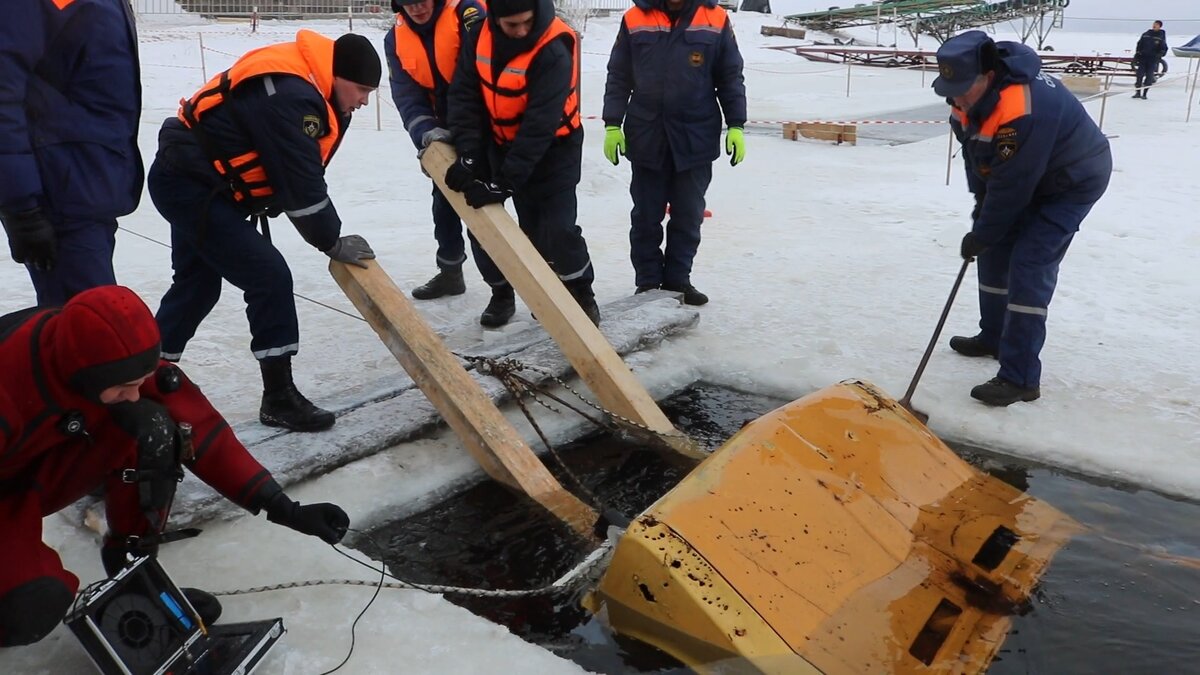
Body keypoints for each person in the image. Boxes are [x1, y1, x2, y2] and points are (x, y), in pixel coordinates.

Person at [0, 285, 350, 647]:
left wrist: (283, 507)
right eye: (125, 387)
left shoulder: (108, 351)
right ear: (82, 375)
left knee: (150, 425)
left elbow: (202, 429)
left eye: (139, 382)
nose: (135, 394)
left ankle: (133, 581)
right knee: (30, 606)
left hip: (39, 465)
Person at [149, 30, 381, 433]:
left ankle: (145, 377)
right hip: (190, 187)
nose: (364, 100)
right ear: (337, 75)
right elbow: (301, 183)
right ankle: (278, 398)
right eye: (361, 89)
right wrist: (331, 240)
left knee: (197, 285)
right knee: (269, 276)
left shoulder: (307, 83)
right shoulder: (292, 96)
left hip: (196, 181)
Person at [935, 31, 1112, 407]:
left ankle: (1020, 378)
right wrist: (980, 211)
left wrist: (984, 227)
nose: (958, 97)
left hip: (1071, 181)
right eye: (951, 88)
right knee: (994, 250)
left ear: (988, 74)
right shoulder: (964, 98)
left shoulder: (1027, 108)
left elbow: (1014, 185)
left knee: (1030, 262)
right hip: (1029, 175)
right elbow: (978, 158)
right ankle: (994, 336)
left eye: (964, 87)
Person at [445, 0, 600, 327]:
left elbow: (539, 126)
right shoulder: (479, 34)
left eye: (526, 23)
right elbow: (464, 94)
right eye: (511, 25)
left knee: (556, 229)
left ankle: (580, 291)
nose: (521, 31)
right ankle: (505, 292)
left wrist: (505, 181)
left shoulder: (554, 50)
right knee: (497, 223)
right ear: (496, 19)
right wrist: (470, 154)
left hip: (553, 148)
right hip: (499, 141)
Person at [601, 0, 747, 306]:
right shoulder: (634, 17)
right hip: (647, 134)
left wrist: (737, 124)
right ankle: (649, 283)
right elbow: (618, 75)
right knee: (645, 216)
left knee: (689, 215)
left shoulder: (715, 17)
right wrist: (612, 123)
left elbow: (730, 76)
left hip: (695, 135)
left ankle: (679, 281)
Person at [0, 0, 143, 307]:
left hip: (91, 184)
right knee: (90, 333)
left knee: (90, 328)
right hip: (59, 191)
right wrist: (21, 205)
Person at [385, 0, 488, 301]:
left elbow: (480, 75)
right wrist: (426, 133)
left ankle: (502, 291)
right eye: (408, 2)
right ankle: (450, 273)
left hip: (481, 126)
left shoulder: (468, 15)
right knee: (443, 203)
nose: (416, 8)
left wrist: (467, 132)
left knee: (481, 206)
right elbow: (406, 95)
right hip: (438, 133)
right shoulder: (395, 38)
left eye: (422, 0)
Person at [1133, 20, 1168, 99]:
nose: (1154, 26)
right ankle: (1137, 92)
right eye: (1154, 24)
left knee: (1149, 77)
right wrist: (1137, 53)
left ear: (1160, 26)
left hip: (1152, 60)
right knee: (1139, 75)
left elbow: (1164, 48)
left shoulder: (1161, 36)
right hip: (1143, 58)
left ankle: (1144, 94)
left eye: (1156, 25)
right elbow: (1139, 44)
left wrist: (1159, 55)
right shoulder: (1146, 34)